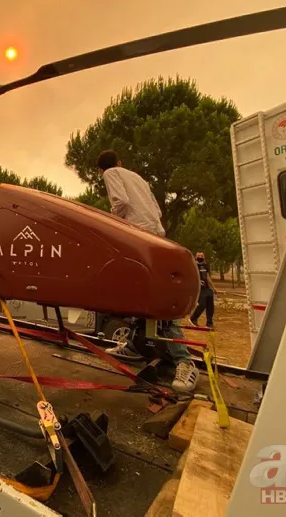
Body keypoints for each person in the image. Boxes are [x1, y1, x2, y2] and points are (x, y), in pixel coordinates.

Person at [97, 149, 199, 393]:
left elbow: (120, 202)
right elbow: (157, 209)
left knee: (154, 300)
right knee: (139, 295)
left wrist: (114, 224)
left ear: (101, 170)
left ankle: (185, 361)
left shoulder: (111, 173)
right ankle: (135, 343)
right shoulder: (138, 177)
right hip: (154, 233)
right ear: (120, 161)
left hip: (138, 235)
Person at [190, 251, 216, 328]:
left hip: (207, 288)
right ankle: (193, 318)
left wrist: (213, 287)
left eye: (201, 256)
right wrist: (198, 282)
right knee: (202, 304)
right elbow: (191, 276)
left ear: (204, 257)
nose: (200, 257)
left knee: (210, 305)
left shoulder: (205, 266)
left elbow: (207, 277)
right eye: (198, 255)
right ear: (195, 257)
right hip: (199, 288)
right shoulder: (193, 266)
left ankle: (209, 323)